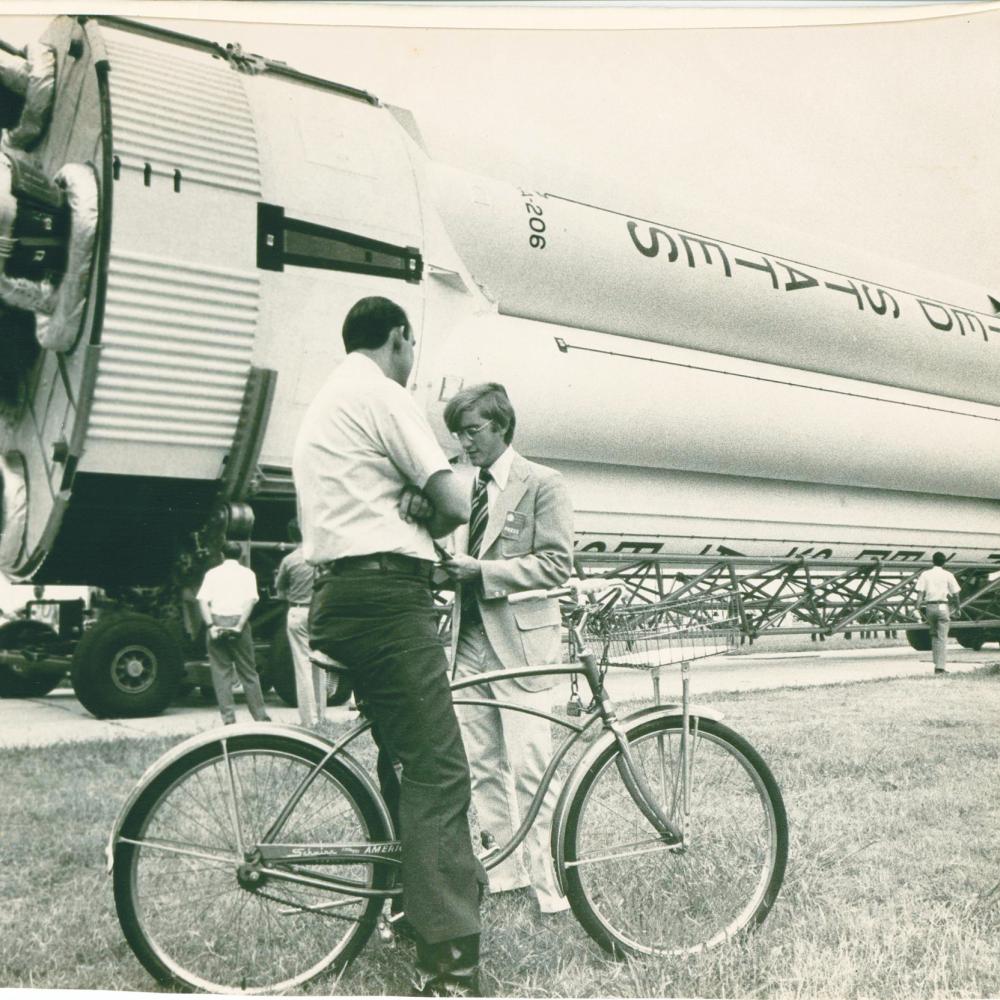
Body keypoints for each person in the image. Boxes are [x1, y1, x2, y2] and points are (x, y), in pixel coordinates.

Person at [292, 296, 483, 997]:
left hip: (337, 595)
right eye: (412, 346)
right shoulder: (383, 394)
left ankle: (409, 907)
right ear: (399, 340)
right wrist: (427, 500)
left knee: (403, 759)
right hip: (386, 599)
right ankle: (451, 967)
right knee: (440, 769)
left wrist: (409, 498)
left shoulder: (326, 403)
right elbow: (456, 502)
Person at [441, 383, 574, 916]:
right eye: (458, 433)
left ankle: (550, 887)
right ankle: (506, 874)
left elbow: (556, 564)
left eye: (472, 431)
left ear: (501, 426)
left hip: (521, 647)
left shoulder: (543, 483)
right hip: (465, 643)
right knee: (481, 766)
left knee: (529, 766)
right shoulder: (457, 487)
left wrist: (483, 572)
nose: (464, 442)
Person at [197, 541, 271, 724]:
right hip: (238, 620)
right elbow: (250, 601)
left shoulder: (212, 574)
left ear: (222, 555)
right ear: (241, 555)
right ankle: (260, 717)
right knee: (249, 672)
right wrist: (239, 625)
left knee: (221, 672)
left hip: (217, 620)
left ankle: (228, 719)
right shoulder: (248, 574)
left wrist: (211, 626)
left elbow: (202, 601)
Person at [274, 519, 325, 727]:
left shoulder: (289, 560)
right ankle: (321, 714)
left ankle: (309, 718)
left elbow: (280, 590)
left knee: (302, 666)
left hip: (297, 610)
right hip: (318, 612)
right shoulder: (319, 558)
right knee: (319, 663)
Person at [914, 551, 961, 674]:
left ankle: (936, 663)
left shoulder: (925, 574)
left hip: (930, 607)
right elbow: (956, 594)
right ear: (944, 562)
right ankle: (940, 667)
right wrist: (958, 607)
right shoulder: (948, 575)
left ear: (932, 561)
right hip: (942, 606)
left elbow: (920, 593)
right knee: (942, 638)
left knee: (934, 636)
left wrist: (917, 607)